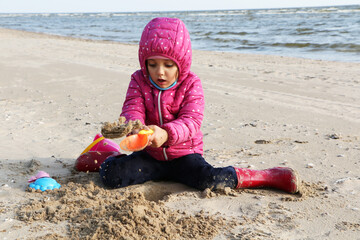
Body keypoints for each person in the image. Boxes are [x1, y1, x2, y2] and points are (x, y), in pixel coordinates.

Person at [99, 17, 299, 194]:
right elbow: (133, 107)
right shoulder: (138, 80)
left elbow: (191, 121)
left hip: (184, 155)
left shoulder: (191, 84)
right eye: (152, 64)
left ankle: (268, 176)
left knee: (210, 180)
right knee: (111, 175)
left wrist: (166, 134)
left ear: (181, 62)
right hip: (150, 157)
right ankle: (106, 150)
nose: (160, 72)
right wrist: (135, 127)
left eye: (168, 65)